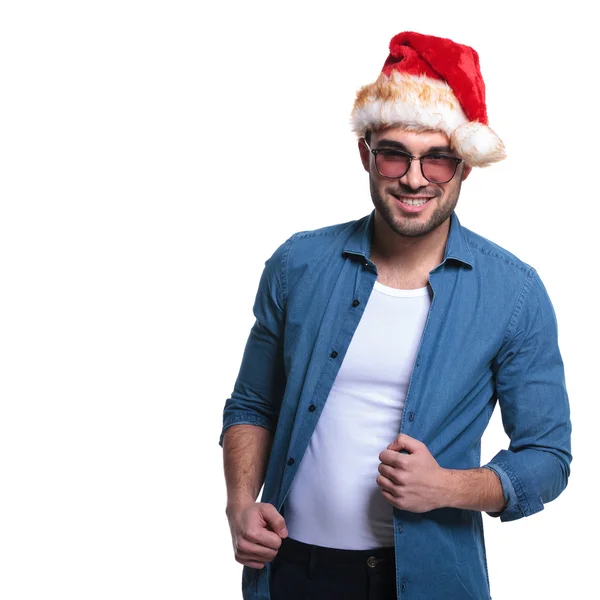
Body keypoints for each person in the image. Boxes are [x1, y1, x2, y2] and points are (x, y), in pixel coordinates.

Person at [219, 31, 572, 600]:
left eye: (438, 160)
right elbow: (253, 403)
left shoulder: (514, 293)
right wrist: (240, 504)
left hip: (428, 579)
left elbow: (548, 458)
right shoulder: (299, 265)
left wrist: (448, 487)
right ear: (366, 153)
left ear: (465, 169)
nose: (414, 178)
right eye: (395, 154)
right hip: (293, 573)